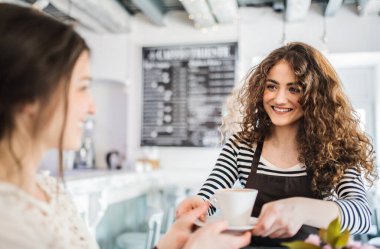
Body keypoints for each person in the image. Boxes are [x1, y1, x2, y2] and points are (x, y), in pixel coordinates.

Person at [0, 3, 251, 249]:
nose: (92, 108)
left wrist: (167, 245)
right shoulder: (9, 224)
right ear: (27, 97)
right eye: (83, 87)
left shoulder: (49, 190)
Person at [177, 42, 378, 246]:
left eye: (294, 89)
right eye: (272, 86)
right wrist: (198, 205)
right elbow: (209, 196)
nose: (279, 98)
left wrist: (301, 209)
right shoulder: (241, 146)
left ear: (316, 96)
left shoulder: (335, 150)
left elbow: (361, 216)